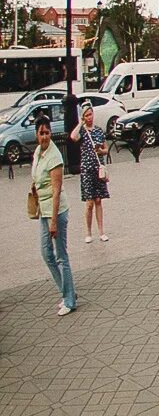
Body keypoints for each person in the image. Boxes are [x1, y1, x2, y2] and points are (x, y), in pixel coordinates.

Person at [30, 115, 77, 315]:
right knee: (46, 253)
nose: (45, 137)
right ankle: (66, 291)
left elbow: (57, 190)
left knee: (60, 256)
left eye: (47, 132)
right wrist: (34, 187)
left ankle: (69, 300)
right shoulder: (38, 152)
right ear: (36, 134)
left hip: (57, 211)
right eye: (41, 133)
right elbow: (38, 176)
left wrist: (54, 221)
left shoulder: (54, 156)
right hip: (44, 209)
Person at [69, 101, 111, 243]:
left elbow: (106, 149)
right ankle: (88, 232)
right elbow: (73, 137)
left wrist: (101, 151)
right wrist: (80, 123)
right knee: (89, 203)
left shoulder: (98, 130)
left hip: (98, 168)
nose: (89, 117)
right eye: (86, 115)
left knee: (98, 200)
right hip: (87, 168)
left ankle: (101, 231)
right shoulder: (82, 131)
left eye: (90, 114)